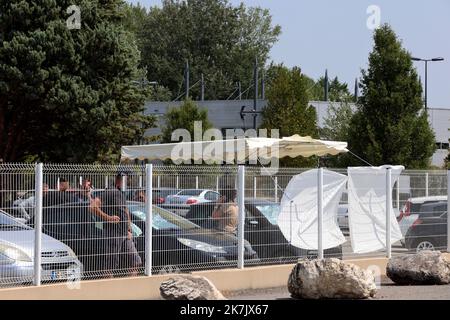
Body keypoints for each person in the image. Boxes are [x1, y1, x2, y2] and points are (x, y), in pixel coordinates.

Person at [90, 173, 142, 277]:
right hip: (113, 233)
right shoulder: (110, 191)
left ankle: (130, 288)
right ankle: (108, 289)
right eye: (127, 180)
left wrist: (129, 228)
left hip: (124, 233)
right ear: (119, 180)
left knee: (136, 262)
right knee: (111, 266)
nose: (129, 183)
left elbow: (125, 210)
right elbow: (92, 207)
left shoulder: (121, 193)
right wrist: (108, 218)